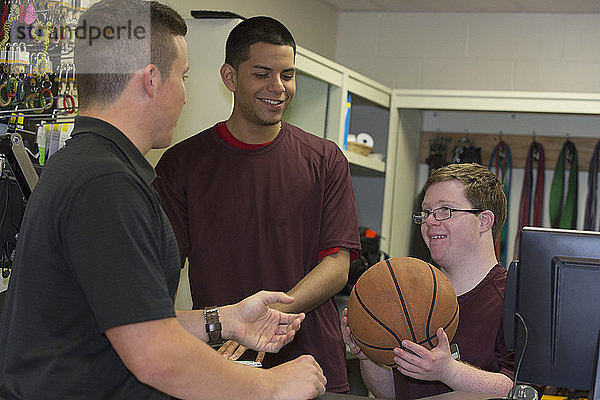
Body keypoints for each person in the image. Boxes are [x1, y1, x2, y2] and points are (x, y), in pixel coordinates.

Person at [0, 1, 327, 399]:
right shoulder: (107, 184)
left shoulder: (83, 165)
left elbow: (127, 320)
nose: (185, 96)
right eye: (183, 77)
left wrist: (226, 320)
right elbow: (157, 355)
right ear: (151, 80)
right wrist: (271, 385)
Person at [154, 16, 361, 393]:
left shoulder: (325, 159)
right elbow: (159, 272)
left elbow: (336, 266)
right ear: (229, 77)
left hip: (312, 363)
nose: (278, 87)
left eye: (287, 75)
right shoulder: (183, 165)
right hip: (224, 364)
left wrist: (269, 317)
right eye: (262, 74)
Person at [342, 162, 515, 399]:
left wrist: (448, 371)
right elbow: (390, 394)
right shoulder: (405, 291)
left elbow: (521, 391)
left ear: (484, 221)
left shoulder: (514, 301)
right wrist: (368, 353)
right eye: (427, 212)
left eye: (445, 210)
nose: (430, 221)